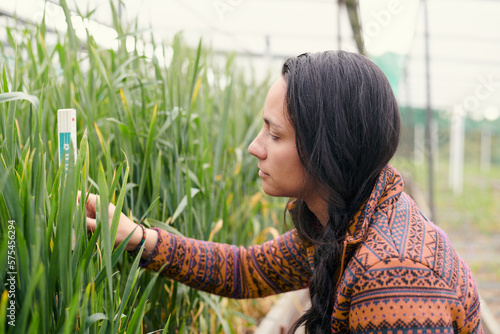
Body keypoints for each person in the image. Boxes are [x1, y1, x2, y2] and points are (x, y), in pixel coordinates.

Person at [82, 51, 484, 333]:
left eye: (274, 134)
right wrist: (136, 237)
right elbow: (245, 271)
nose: (255, 147)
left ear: (326, 148)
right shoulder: (344, 219)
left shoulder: (395, 276)